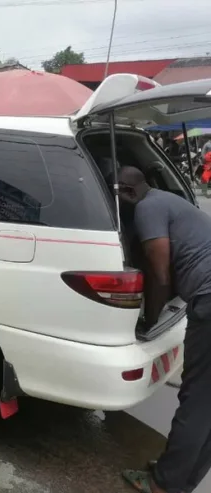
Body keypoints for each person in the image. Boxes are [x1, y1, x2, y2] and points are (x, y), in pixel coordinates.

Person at [118, 166, 211, 493]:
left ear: (126, 193)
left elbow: (159, 273)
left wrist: (149, 320)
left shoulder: (146, 208)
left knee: (196, 400)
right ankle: (180, 480)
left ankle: (163, 484)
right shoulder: (167, 199)